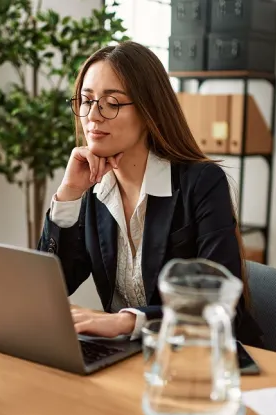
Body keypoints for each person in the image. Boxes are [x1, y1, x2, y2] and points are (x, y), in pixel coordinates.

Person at [37, 41, 264, 349]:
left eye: (111, 103)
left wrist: (127, 321)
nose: (93, 115)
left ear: (148, 111)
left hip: (203, 356)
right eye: (86, 100)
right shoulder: (91, 189)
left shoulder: (201, 183)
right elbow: (52, 286)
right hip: (129, 354)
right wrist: (68, 194)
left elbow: (220, 306)